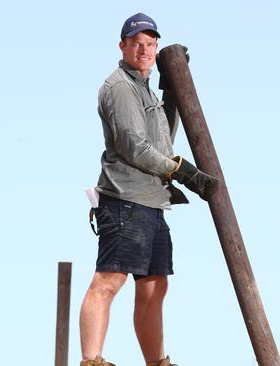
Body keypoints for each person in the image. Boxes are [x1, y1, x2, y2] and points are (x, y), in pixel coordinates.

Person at [79, 12, 218, 366]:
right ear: (123, 46)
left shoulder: (144, 89)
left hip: (151, 203)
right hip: (125, 200)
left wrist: (170, 94)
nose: (144, 50)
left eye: (150, 44)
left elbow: (161, 141)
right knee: (109, 279)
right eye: (137, 44)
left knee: (155, 285)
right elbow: (135, 148)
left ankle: (156, 362)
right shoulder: (120, 88)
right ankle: (92, 360)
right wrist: (181, 171)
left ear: (156, 48)